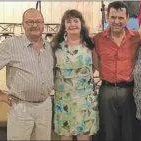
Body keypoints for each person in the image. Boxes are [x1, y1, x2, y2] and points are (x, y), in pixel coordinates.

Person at [0, 8, 54, 140]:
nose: (35, 25)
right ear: (23, 25)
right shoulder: (11, 45)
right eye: (30, 22)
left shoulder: (49, 47)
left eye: (38, 22)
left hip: (45, 106)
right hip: (21, 108)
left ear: (43, 24)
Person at [93, 1, 141, 141]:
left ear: (127, 18)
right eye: (113, 17)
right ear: (107, 17)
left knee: (130, 131)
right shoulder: (98, 39)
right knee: (108, 132)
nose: (117, 21)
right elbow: (95, 63)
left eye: (121, 18)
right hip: (106, 90)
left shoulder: (137, 38)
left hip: (130, 91)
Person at [51, 9, 99, 141]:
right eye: (68, 21)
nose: (72, 24)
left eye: (76, 21)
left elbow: (96, 67)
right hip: (64, 100)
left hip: (85, 101)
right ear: (64, 26)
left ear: (81, 24)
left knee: (84, 136)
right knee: (65, 137)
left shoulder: (90, 45)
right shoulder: (56, 47)